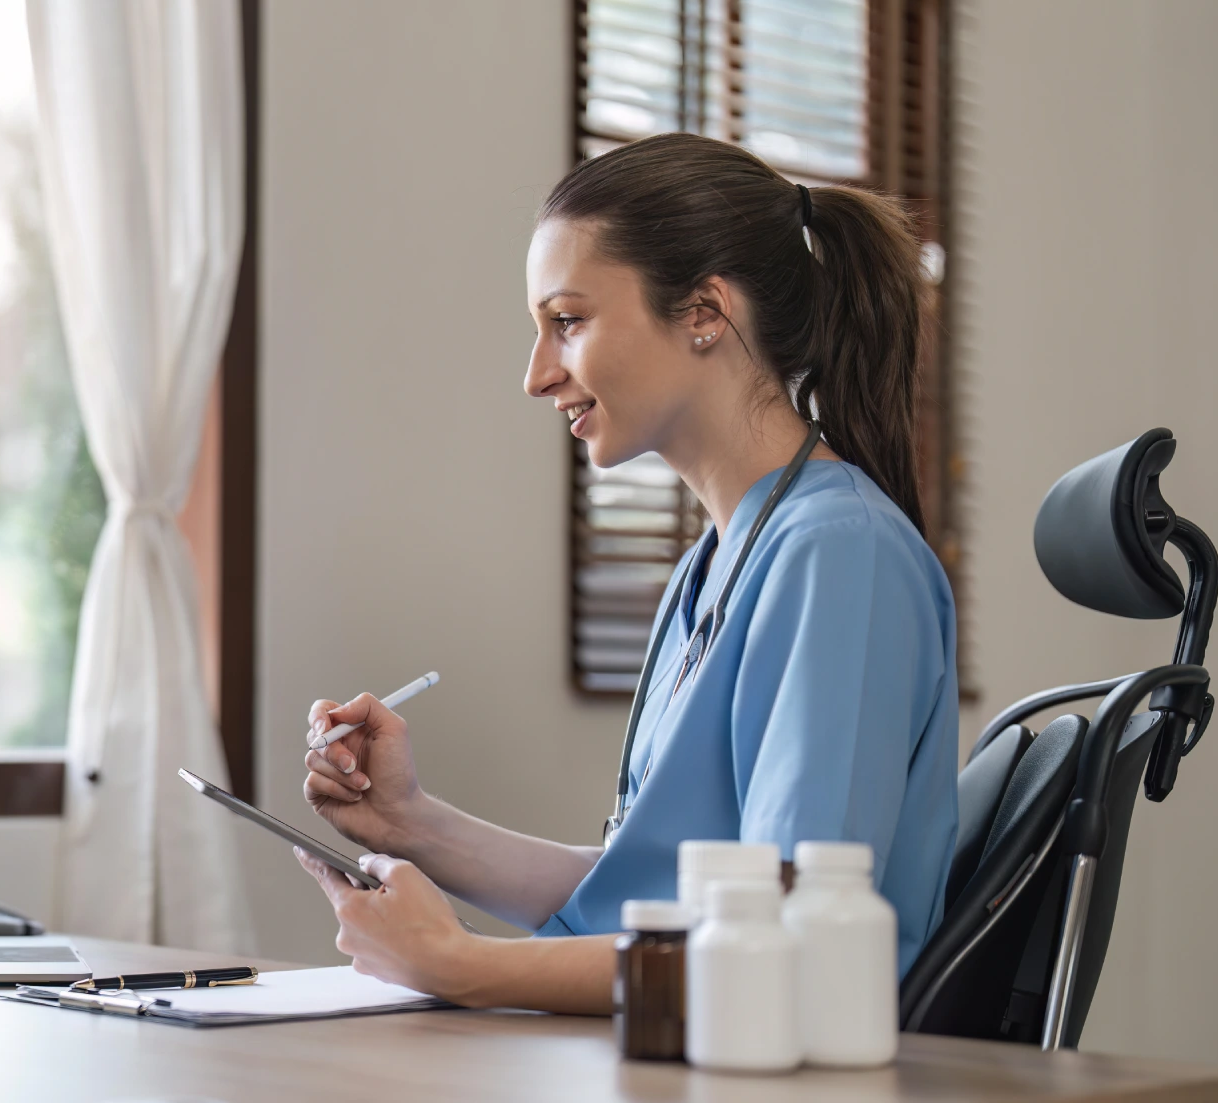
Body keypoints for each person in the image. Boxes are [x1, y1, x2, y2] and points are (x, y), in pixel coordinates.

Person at [296, 132, 959, 1015]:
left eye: (566, 322)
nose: (536, 375)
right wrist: (407, 822)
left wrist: (457, 962)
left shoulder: (841, 555)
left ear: (704, 312)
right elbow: (645, 899)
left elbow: (789, 951)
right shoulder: (710, 568)